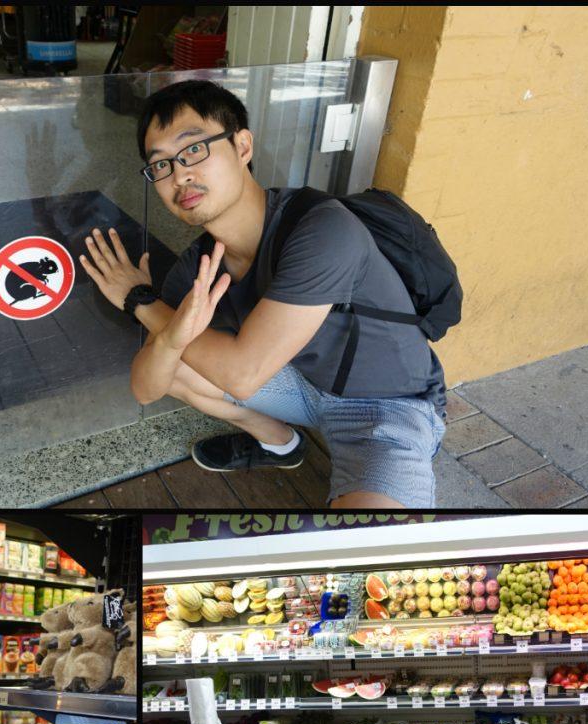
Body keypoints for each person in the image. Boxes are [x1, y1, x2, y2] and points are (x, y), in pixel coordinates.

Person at [79, 79, 447, 508]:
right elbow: (146, 389)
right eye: (160, 166)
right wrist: (161, 322)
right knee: (176, 360)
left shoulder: (322, 229)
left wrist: (141, 300)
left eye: (194, 149)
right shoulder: (200, 264)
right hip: (306, 387)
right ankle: (281, 443)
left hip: (389, 408)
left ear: (242, 146)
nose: (180, 174)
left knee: (371, 542)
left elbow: (242, 375)